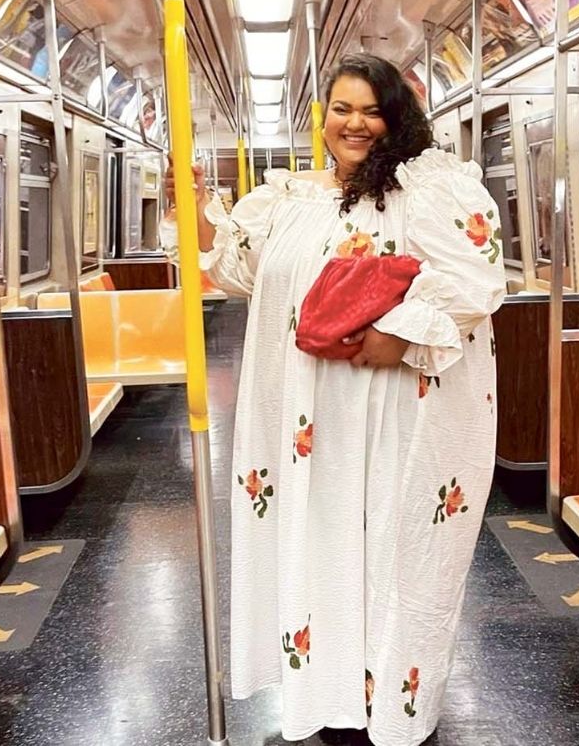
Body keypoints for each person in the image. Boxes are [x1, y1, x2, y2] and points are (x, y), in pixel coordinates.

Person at [161, 53, 505, 746]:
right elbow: (232, 269)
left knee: (392, 549)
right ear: (324, 118)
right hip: (304, 421)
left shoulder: (428, 190)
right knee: (319, 543)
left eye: (371, 110)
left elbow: (475, 279)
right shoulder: (288, 199)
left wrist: (397, 336)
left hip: (397, 414)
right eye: (342, 109)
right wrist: (192, 202)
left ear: (396, 117)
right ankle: (329, 695)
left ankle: (391, 706)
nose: (355, 123)